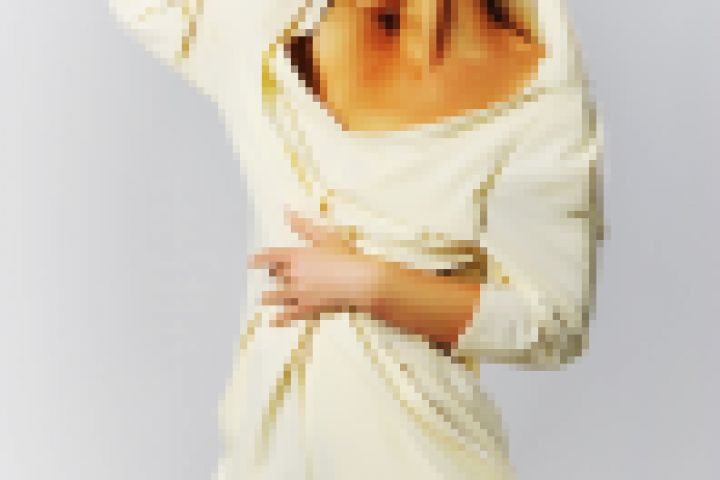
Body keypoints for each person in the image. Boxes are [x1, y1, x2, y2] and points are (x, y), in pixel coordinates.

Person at [109, 0, 602, 478]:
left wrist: (371, 285)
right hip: (263, 453)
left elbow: (553, 323)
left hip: (425, 452)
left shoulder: (539, 105)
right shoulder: (269, 24)